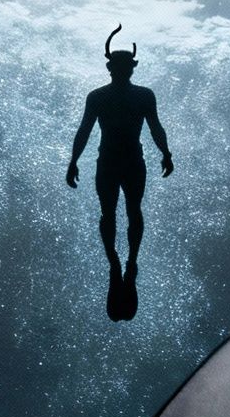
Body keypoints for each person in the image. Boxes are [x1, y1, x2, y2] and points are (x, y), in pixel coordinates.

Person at [67, 25, 174, 321]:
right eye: (122, 66)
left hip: (117, 162)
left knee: (120, 212)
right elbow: (85, 130)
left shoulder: (116, 96)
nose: (124, 70)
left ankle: (123, 261)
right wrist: (73, 159)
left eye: (126, 66)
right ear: (113, 67)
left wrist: (166, 152)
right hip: (119, 162)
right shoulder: (112, 96)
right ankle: (121, 261)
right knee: (120, 212)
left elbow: (155, 127)